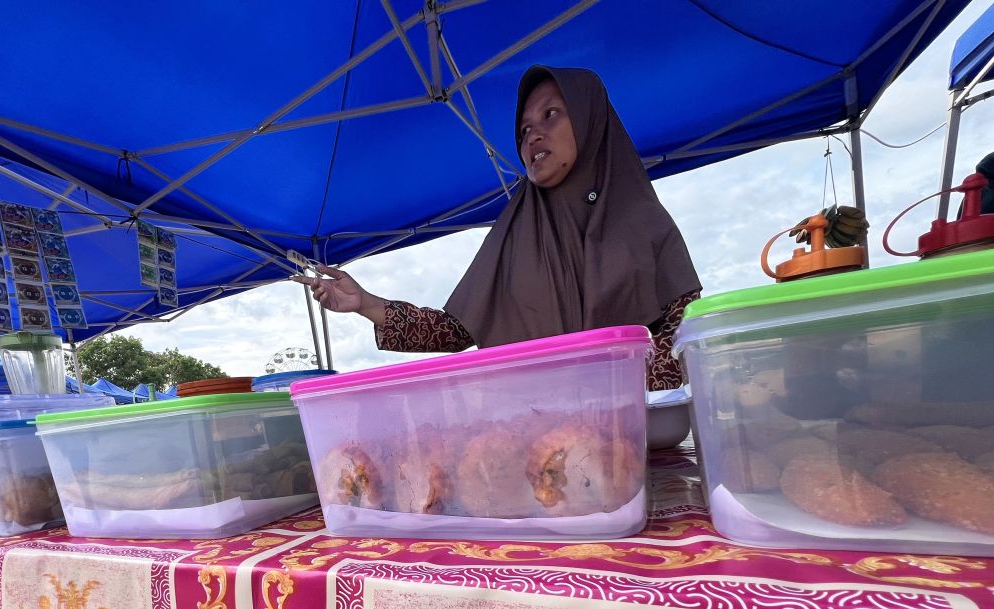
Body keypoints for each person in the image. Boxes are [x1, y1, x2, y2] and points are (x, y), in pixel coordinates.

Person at [295, 65, 702, 390]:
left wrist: (606, 387)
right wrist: (365, 303)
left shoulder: (643, 222)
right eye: (524, 129)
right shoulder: (516, 229)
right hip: (537, 438)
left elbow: (685, 338)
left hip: (638, 440)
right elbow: (457, 330)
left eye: (551, 114)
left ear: (591, 121)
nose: (533, 135)